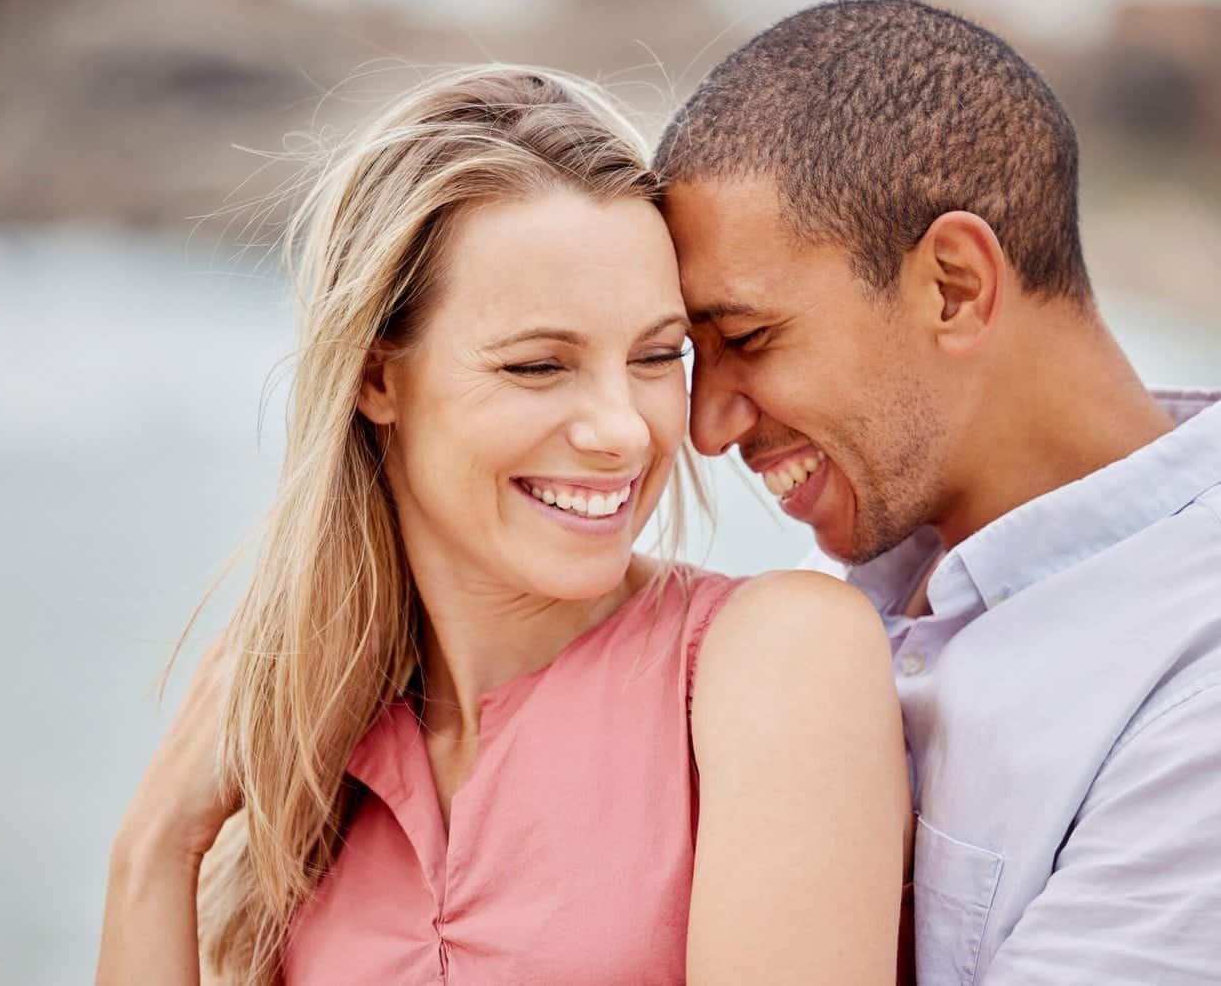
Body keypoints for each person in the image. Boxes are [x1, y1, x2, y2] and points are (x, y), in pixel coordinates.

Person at [655, 0, 1221, 985]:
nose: (706, 423)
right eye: (687, 355)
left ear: (953, 286)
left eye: (747, 339)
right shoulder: (850, 588)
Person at [95, 66, 910, 985]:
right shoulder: (314, 770)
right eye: (537, 366)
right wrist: (156, 851)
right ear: (377, 378)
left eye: (654, 356)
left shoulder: (777, 659)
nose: (622, 429)